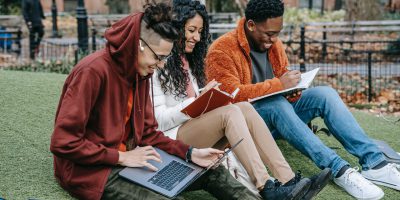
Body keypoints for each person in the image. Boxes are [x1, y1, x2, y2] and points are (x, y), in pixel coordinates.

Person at [50, 3, 259, 200]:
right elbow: (63, 142)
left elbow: (149, 134)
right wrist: (121, 158)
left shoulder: (141, 73)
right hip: (93, 171)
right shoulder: (92, 72)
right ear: (139, 45)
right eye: (158, 57)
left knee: (213, 172)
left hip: (135, 159)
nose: (160, 66)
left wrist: (190, 153)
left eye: (165, 59)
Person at [205, 0, 400, 199]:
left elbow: (283, 77)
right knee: (274, 104)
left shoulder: (274, 43)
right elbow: (229, 97)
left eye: (277, 33)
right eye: (269, 34)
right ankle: (340, 170)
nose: (274, 39)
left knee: (325, 94)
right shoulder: (221, 50)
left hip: (280, 114)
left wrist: (293, 89)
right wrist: (279, 85)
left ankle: (374, 163)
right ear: (251, 25)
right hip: (247, 127)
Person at [152, 1, 332, 199]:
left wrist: (207, 96)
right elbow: (159, 120)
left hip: (193, 128)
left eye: (199, 31)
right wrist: (198, 101)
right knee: (230, 112)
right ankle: (266, 186)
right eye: (191, 30)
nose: (196, 37)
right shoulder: (156, 62)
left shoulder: (189, 61)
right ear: (176, 28)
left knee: (243, 107)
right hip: (171, 139)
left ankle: (288, 181)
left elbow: (192, 102)